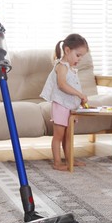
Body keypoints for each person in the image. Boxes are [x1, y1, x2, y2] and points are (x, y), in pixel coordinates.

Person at [40, 33, 89, 171]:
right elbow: (62, 84)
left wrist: (81, 100)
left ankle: (70, 159)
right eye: (78, 55)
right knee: (59, 136)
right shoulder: (61, 66)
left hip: (70, 108)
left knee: (68, 136)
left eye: (81, 57)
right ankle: (57, 162)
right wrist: (79, 94)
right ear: (67, 50)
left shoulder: (72, 69)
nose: (79, 59)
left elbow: (73, 88)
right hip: (61, 106)